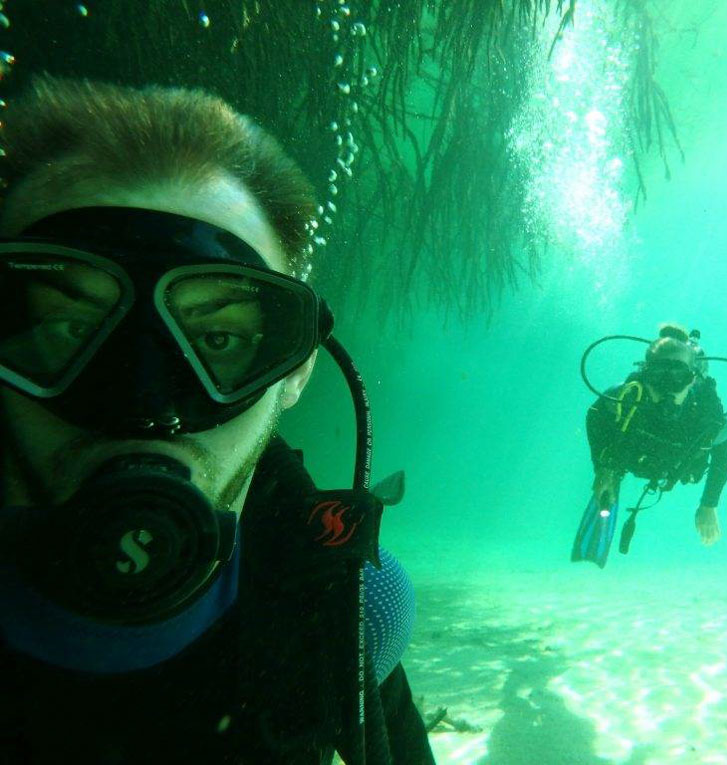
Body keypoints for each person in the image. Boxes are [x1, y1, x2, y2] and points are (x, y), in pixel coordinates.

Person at [0, 76, 435, 764]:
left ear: (294, 371)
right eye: (64, 325)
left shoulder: (345, 615)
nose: (143, 406)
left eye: (220, 339)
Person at [572, 324, 727, 567]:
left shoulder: (706, 415)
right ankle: (612, 484)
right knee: (613, 470)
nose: (667, 389)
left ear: (692, 380)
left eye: (678, 378)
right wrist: (603, 468)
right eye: (657, 378)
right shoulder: (625, 399)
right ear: (645, 376)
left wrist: (709, 503)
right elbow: (595, 413)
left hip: (675, 464)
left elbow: (725, 448)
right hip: (634, 455)